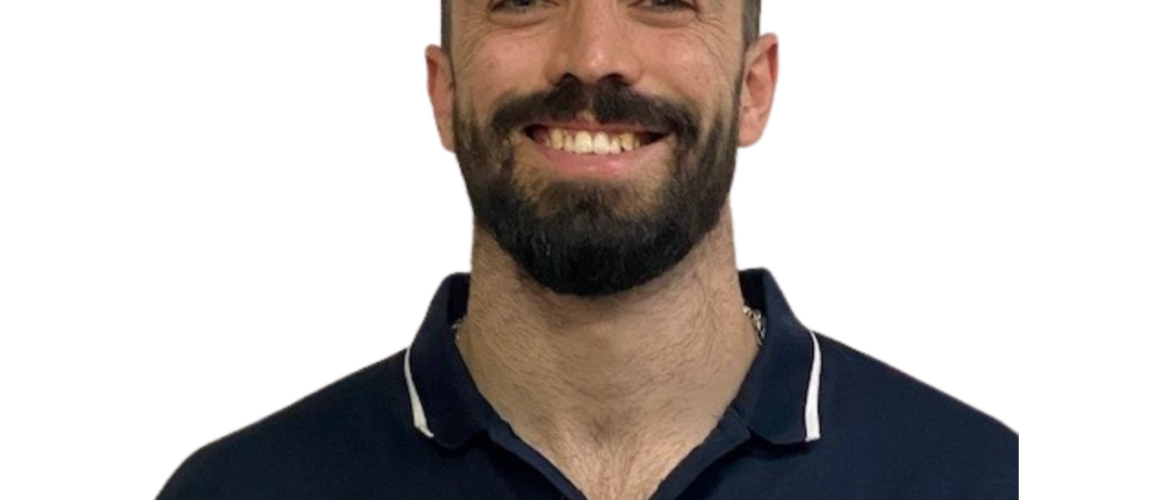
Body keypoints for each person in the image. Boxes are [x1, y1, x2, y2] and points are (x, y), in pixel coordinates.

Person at [156, 0, 1018, 499]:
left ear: (754, 88)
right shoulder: (242, 493)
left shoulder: (985, 480)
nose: (594, 56)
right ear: (444, 91)